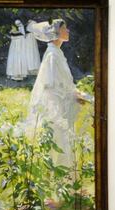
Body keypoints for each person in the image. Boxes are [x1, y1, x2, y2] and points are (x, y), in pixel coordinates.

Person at [26, 19, 89, 163]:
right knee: (58, 140)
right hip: (55, 107)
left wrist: (76, 94)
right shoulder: (52, 55)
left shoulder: (57, 53)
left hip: (59, 105)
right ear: (56, 32)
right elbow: (52, 86)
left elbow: (64, 82)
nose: (68, 31)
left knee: (63, 141)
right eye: (64, 28)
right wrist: (73, 95)